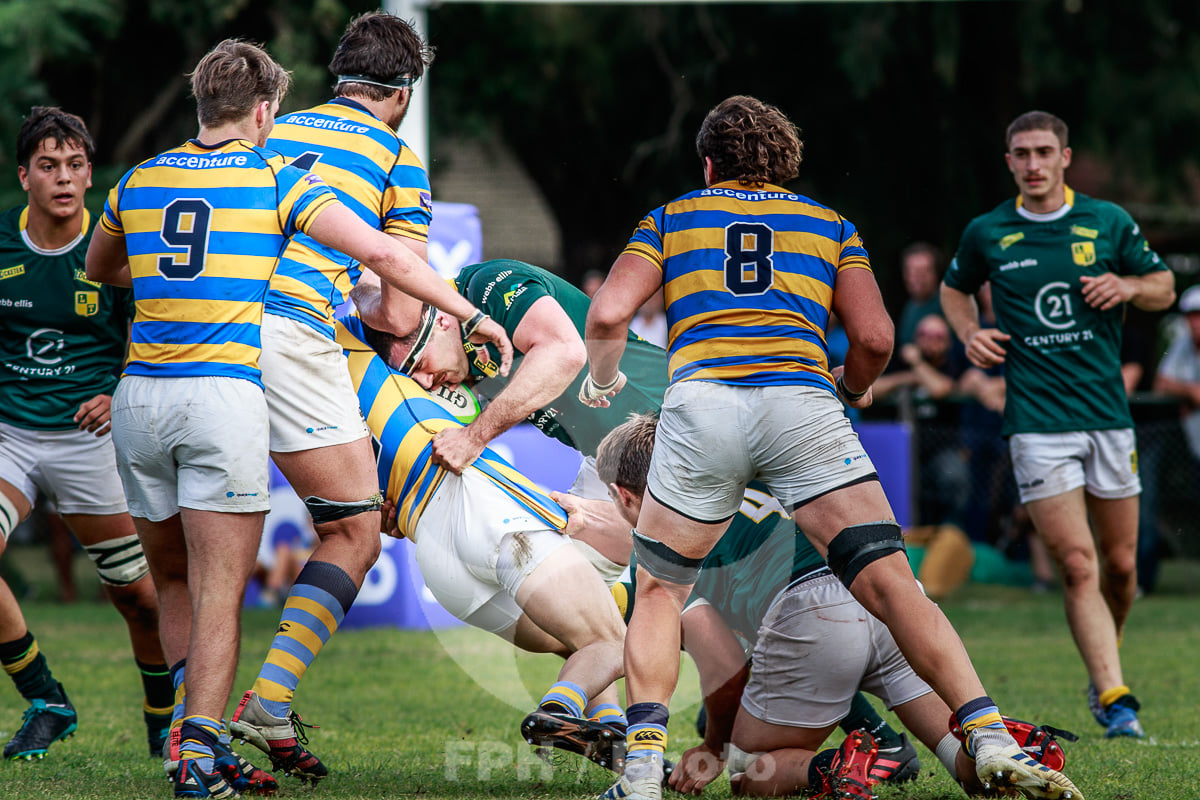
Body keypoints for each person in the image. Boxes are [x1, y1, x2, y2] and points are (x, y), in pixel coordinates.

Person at [584, 95, 1082, 800]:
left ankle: (640, 772)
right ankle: (989, 734)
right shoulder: (830, 225)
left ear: (707, 163)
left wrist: (603, 383)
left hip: (703, 406)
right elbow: (876, 338)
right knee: (891, 581)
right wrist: (852, 387)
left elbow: (608, 312)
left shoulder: (670, 218)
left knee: (663, 591)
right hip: (802, 403)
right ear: (788, 164)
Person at [85, 39, 510, 799]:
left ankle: (195, 733)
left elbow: (101, 264)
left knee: (177, 574)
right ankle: (254, 714)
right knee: (351, 528)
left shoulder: (151, 174)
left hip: (148, 380)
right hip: (260, 353)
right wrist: (461, 313)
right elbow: (394, 283)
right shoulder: (310, 169)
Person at [596, 413, 1083, 798]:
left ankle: (834, 767)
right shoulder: (748, 461)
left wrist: (713, 748)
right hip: (885, 590)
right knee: (962, 755)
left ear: (625, 495)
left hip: (813, 613)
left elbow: (724, 671)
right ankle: (1009, 748)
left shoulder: (671, 528)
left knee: (750, 774)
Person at [224, 13, 455, 785]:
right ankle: (269, 696)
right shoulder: (398, 157)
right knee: (356, 530)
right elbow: (398, 312)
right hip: (293, 341)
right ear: (401, 93)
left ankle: (186, 735)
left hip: (198, 344)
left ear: (338, 76)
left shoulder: (271, 131)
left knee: (204, 553)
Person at [941, 110, 1174, 742]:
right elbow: (953, 288)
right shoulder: (989, 231)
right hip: (1037, 422)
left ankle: (1107, 652)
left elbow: (1165, 286)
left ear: (1065, 158)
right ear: (1010, 161)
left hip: (1107, 418)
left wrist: (1127, 286)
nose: (1033, 163)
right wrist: (969, 333)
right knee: (1077, 564)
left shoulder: (1106, 221)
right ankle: (1115, 696)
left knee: (1121, 567)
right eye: (1021, 153)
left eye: (1044, 151)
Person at [337, 313, 627, 769]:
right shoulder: (353, 330)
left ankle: (612, 733)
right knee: (614, 640)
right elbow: (385, 291)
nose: (426, 375)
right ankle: (558, 710)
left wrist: (379, 505)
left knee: (578, 637)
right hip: (477, 508)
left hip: (436, 556)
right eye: (415, 364)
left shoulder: (327, 390)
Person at [0, 106, 174, 761]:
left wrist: (118, 389)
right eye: (49, 165)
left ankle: (163, 723)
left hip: (88, 441)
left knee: (138, 597)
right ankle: (47, 699)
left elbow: (156, 332)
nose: (65, 178)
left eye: (75, 165)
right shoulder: (2, 246)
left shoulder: (117, 249)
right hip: (11, 434)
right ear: (25, 176)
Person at [366, 257, 670, 585]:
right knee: (564, 593)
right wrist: (398, 502)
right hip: (611, 458)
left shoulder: (484, 287)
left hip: (667, 423)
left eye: (420, 364)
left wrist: (473, 438)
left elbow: (565, 352)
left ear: (441, 322)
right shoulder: (456, 366)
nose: (425, 382)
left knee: (683, 590)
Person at [895, 241, 945, 347]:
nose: (915, 278)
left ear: (936, 273)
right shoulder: (910, 307)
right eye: (910, 271)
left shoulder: (947, 306)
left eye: (922, 272)